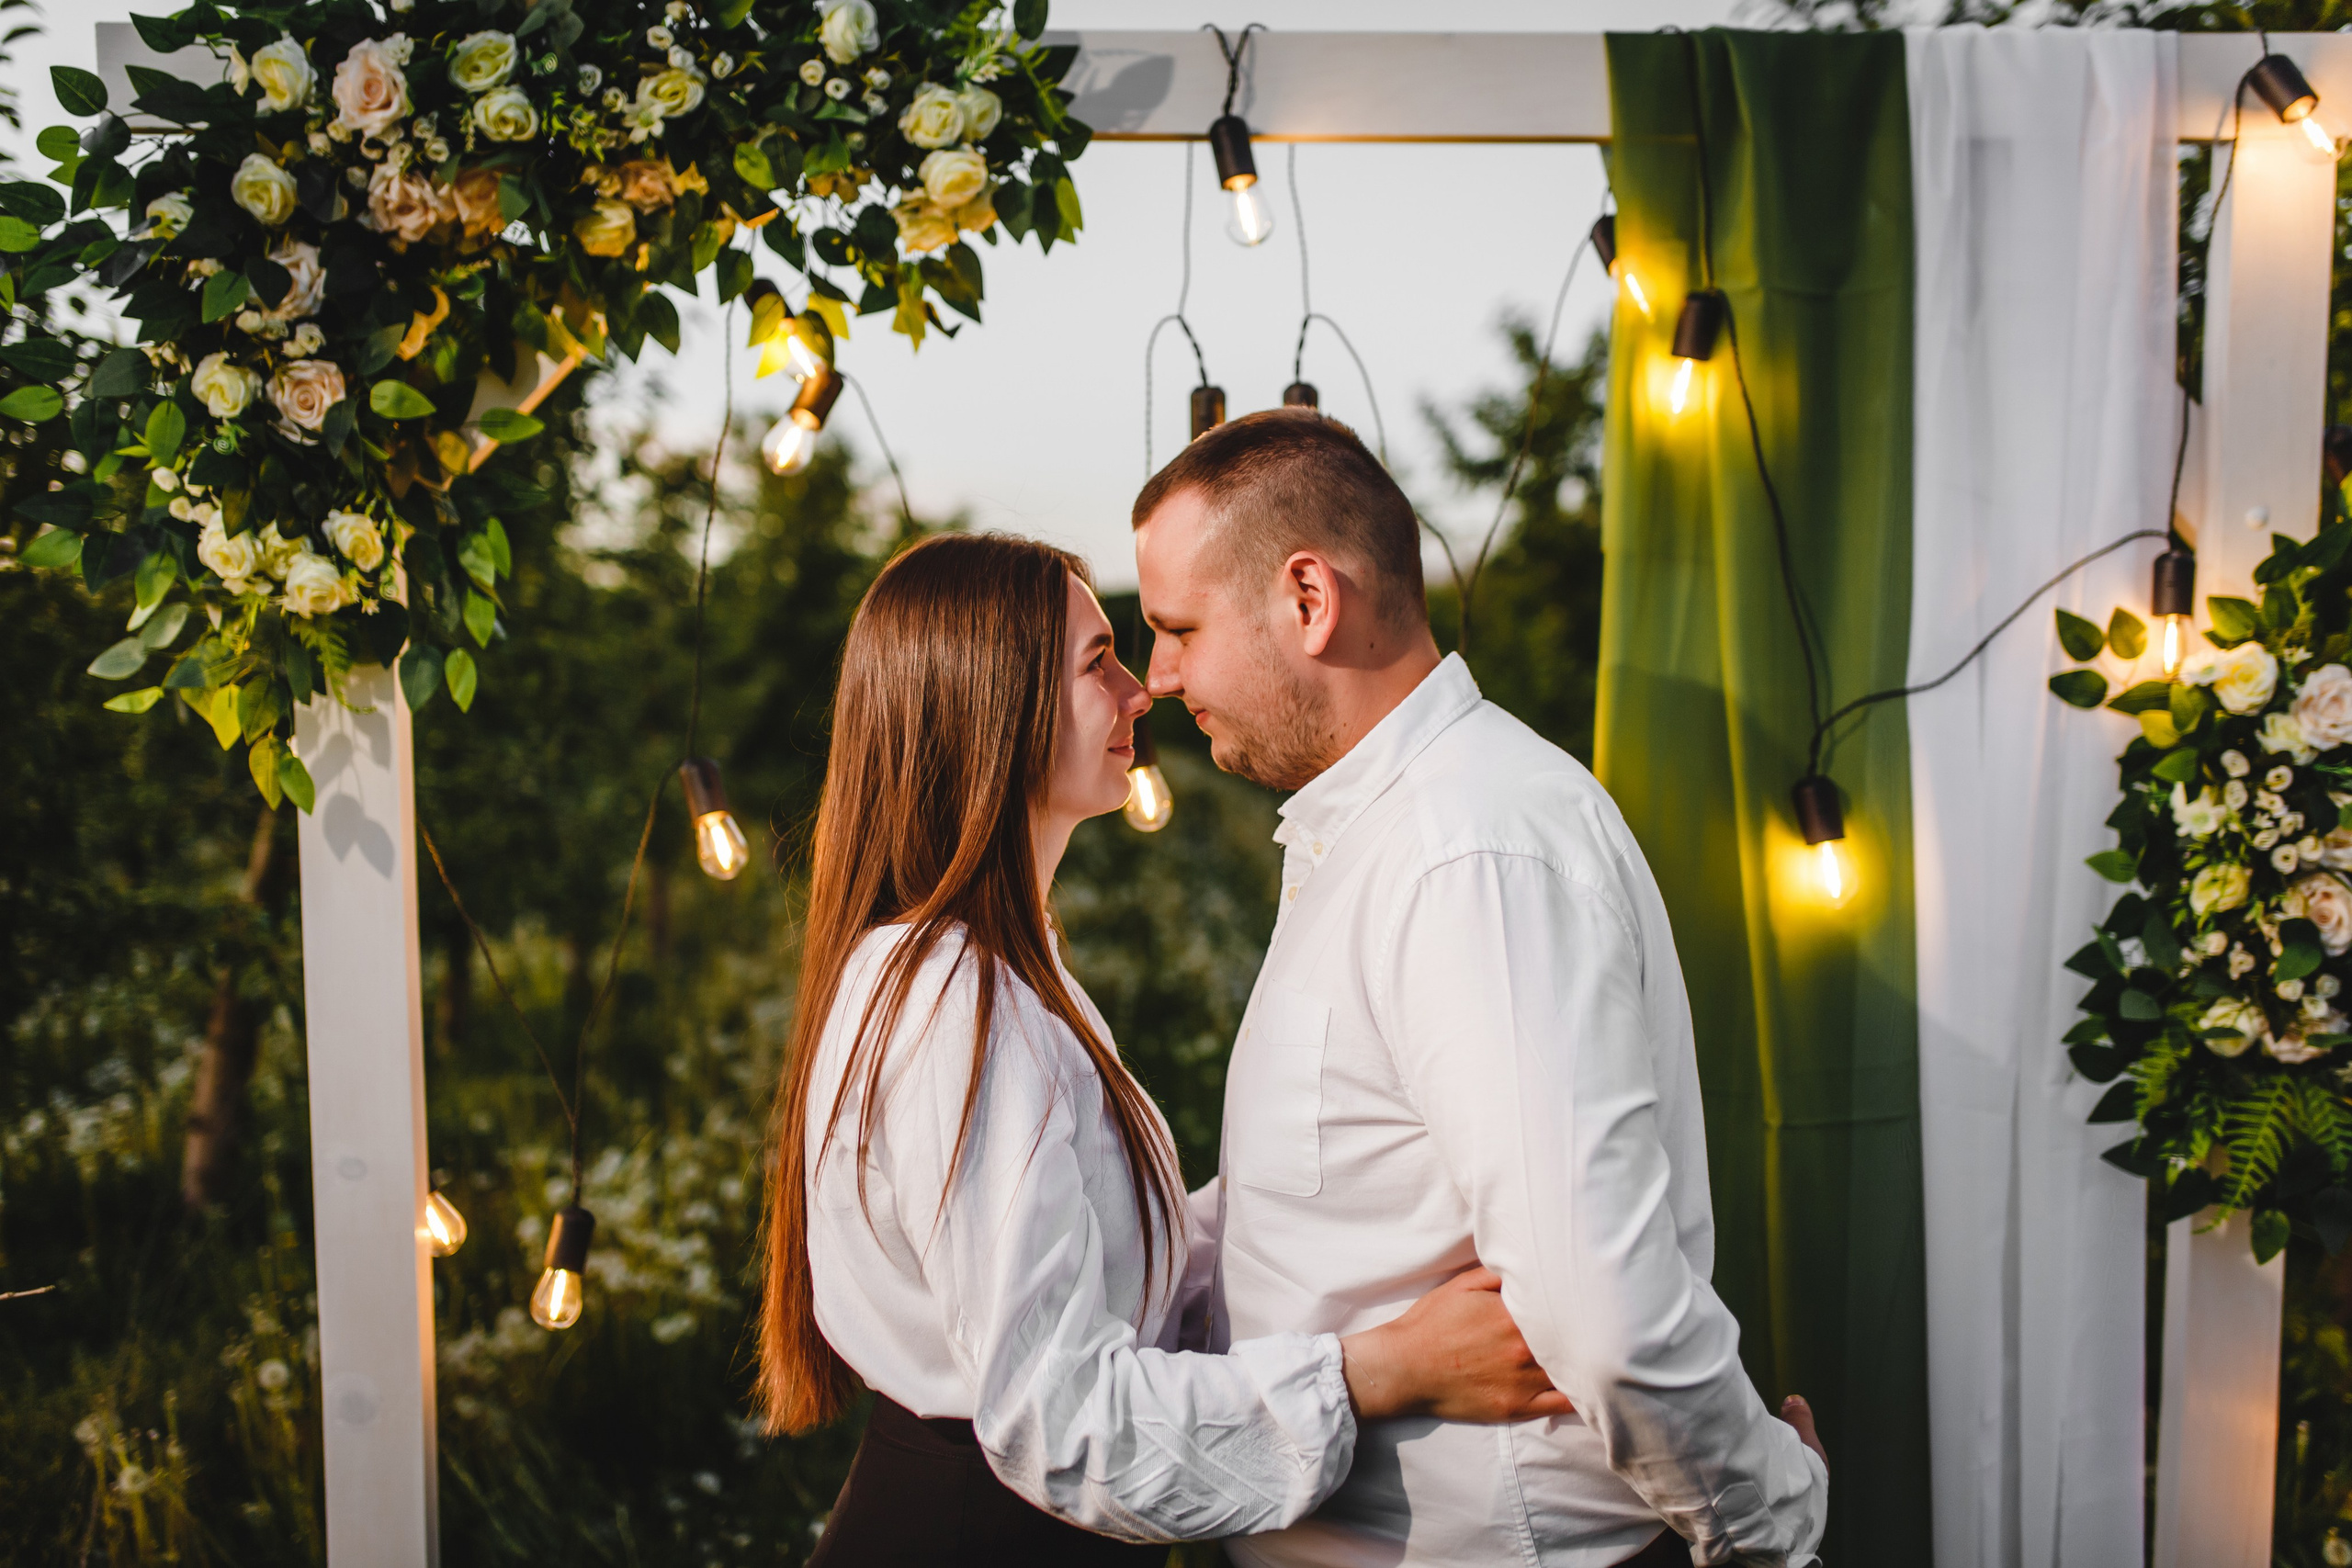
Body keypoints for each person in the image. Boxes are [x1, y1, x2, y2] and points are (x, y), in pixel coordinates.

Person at [756, 533, 1571, 1566]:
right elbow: (1066, 1419)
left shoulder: (1001, 971)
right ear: (992, 703)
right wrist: (1386, 1368)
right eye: (1097, 662)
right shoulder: (954, 1001)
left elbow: (1115, 1270)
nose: (1139, 692)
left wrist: (1376, 1157)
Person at [1130, 410, 1831, 1568]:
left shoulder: (1469, 852)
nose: (1158, 676)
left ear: (1308, 598)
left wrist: (1771, 1522)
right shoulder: (1378, 835)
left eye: (1177, 629)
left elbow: (1602, 1308)